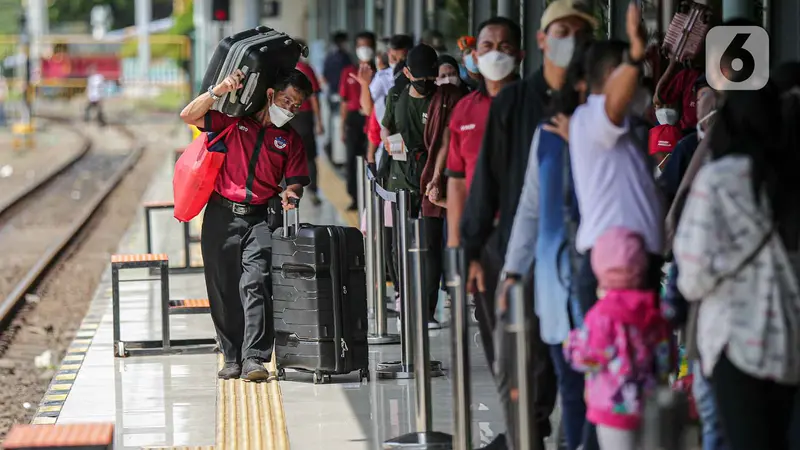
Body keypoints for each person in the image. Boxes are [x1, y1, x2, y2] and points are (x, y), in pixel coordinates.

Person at [461, 1, 596, 448]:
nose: (570, 41)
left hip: (584, 252)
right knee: (519, 358)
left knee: (576, 360)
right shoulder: (515, 102)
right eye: (561, 30)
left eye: (580, 33)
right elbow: (487, 181)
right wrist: (474, 251)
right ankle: (527, 435)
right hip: (513, 248)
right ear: (541, 39)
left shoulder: (595, 102)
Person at [674, 80, 800, 450]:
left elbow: (692, 276)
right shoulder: (792, 180)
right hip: (790, 337)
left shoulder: (718, 179)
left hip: (734, 342)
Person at [179, 69, 313, 381]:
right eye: (286, 101)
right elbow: (189, 115)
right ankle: (231, 355)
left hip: (262, 217)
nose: (290, 109)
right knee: (223, 286)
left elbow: (296, 182)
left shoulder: (290, 139)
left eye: (297, 105)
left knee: (257, 281)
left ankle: (255, 358)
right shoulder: (235, 121)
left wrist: (291, 195)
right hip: (221, 214)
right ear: (270, 95)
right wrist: (219, 90)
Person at [445, 15, 522, 368]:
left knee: (530, 330)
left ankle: (534, 417)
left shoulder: (534, 104)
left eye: (504, 47)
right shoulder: (464, 109)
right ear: (474, 55)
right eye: (487, 47)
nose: (495, 54)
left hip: (527, 230)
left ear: (520, 54)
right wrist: (458, 249)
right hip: (483, 237)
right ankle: (514, 414)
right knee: (491, 326)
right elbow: (457, 181)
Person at [564, 228, 672, 450]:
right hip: (648, 403)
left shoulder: (602, 315)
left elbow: (588, 357)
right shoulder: (652, 308)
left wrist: (571, 344)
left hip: (612, 407)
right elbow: (666, 357)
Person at [382, 44, 447, 329]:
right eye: (420, 79)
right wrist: (390, 142)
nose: (426, 85)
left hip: (432, 176)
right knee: (399, 243)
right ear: (407, 73)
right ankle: (403, 296)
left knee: (431, 244)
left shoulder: (440, 99)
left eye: (431, 79)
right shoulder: (396, 94)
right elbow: (386, 126)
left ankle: (427, 309)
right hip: (401, 175)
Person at [339, 31, 376, 209]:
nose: (365, 49)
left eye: (368, 46)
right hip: (354, 120)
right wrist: (342, 126)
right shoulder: (348, 71)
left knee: (372, 158)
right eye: (361, 46)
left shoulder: (379, 71)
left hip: (373, 119)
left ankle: (372, 195)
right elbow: (344, 102)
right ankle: (354, 197)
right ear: (356, 48)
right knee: (352, 160)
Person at [293, 40, 324, 205]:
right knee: (309, 155)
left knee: (284, 152)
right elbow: (314, 97)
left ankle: (286, 189)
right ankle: (313, 191)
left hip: (288, 116)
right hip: (304, 117)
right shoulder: (307, 69)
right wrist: (319, 121)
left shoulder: (282, 69)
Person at [322, 31, 352, 158]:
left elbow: (324, 76)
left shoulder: (329, 57)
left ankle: (332, 148)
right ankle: (339, 152)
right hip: (343, 94)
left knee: (333, 121)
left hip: (332, 93)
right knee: (341, 121)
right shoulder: (345, 57)